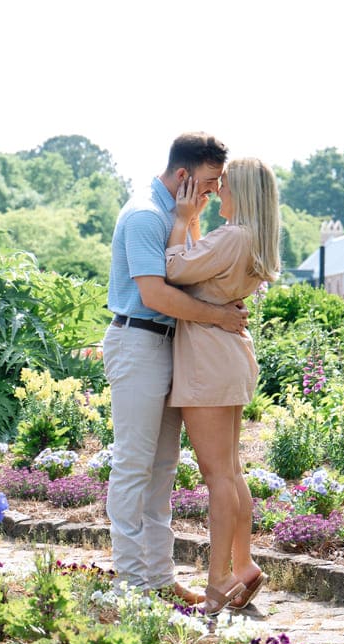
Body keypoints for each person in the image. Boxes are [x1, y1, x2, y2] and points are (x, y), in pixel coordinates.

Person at [104, 132, 248, 603]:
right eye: (208, 183)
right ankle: (129, 582)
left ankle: (160, 579)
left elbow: (193, 275)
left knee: (163, 468)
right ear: (183, 175)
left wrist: (192, 223)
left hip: (170, 345)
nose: (213, 193)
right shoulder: (146, 215)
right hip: (139, 341)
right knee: (133, 464)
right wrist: (222, 317)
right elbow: (156, 294)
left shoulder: (179, 217)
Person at [165, 157, 282, 614]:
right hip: (228, 357)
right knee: (231, 472)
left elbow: (175, 269)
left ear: (244, 193)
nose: (217, 192)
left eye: (225, 185)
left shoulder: (232, 236)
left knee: (218, 477)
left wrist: (180, 220)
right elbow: (201, 266)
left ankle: (217, 583)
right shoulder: (250, 239)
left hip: (208, 361)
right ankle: (244, 564)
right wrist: (193, 224)